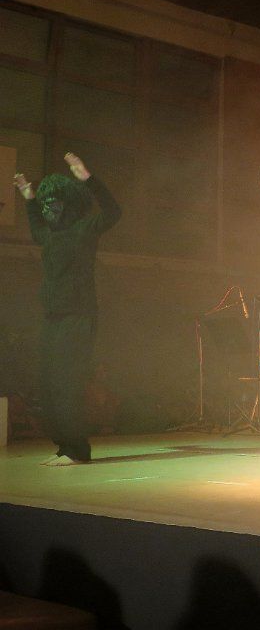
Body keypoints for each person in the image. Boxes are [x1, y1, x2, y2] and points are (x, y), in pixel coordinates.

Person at [14, 153, 121, 465]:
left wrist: (89, 179)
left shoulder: (84, 229)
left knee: (67, 382)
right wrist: (29, 197)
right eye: (45, 204)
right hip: (53, 317)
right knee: (48, 384)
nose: (48, 210)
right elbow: (36, 226)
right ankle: (65, 446)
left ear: (68, 204)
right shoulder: (49, 236)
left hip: (78, 317)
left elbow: (113, 212)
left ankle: (77, 450)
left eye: (53, 203)